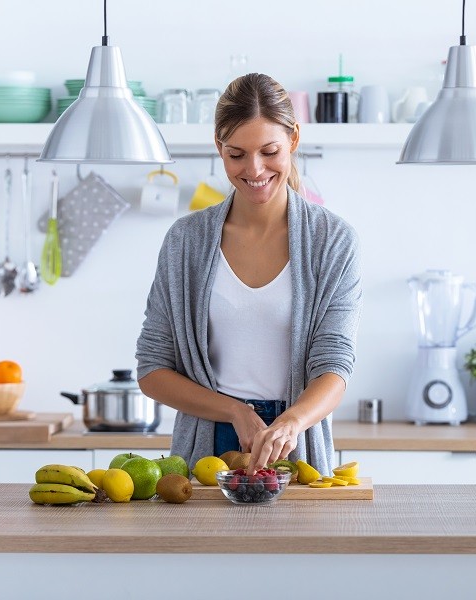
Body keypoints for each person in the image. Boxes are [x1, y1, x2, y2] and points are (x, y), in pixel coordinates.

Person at [135, 73, 362, 477]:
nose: (254, 169)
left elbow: (336, 365)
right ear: (219, 148)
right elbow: (153, 370)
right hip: (207, 443)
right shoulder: (185, 241)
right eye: (236, 154)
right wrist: (234, 411)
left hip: (296, 439)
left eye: (269, 151)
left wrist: (292, 421)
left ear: (293, 140)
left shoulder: (333, 240)